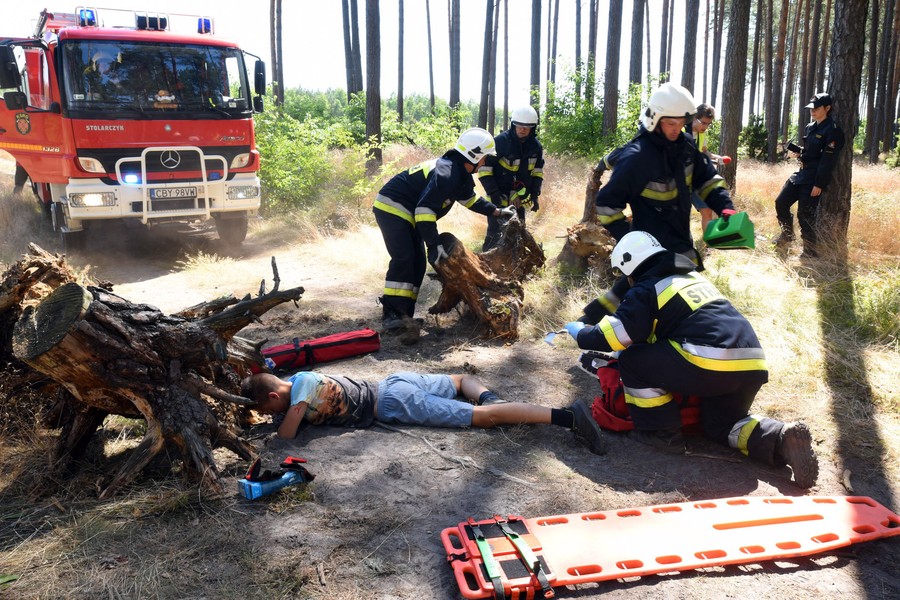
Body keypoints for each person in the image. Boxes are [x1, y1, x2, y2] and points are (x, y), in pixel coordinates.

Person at [564, 231, 819, 488]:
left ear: (630, 266)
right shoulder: (691, 279)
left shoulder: (647, 287)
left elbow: (614, 335)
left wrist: (581, 333)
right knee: (722, 426)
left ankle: (660, 434)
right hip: (751, 363)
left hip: (708, 362)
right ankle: (781, 438)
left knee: (633, 360)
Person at [579, 82, 737, 325]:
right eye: (670, 124)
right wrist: (632, 238)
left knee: (651, 294)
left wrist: (724, 206)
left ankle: (591, 321)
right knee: (644, 300)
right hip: (649, 248)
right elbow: (607, 204)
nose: (676, 130)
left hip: (679, 240)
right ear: (655, 119)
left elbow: (708, 180)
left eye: (680, 124)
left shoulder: (685, 148)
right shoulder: (637, 156)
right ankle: (594, 331)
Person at [241, 371, 605, 455]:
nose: (272, 412)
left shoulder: (300, 393)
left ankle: (567, 417)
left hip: (393, 404)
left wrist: (281, 419)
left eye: (269, 407)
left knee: (480, 418)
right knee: (461, 379)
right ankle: (491, 397)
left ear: (275, 395)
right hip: (391, 383)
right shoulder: (298, 378)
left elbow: (286, 435)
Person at [373, 128, 515, 335]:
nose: (485, 163)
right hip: (393, 208)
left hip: (407, 212)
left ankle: (403, 317)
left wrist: (497, 211)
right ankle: (392, 316)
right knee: (405, 258)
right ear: (474, 155)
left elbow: (470, 200)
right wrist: (433, 244)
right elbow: (424, 210)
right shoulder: (447, 172)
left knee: (417, 262)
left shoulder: (459, 173)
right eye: (484, 158)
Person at [773, 93, 845, 258]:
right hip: (801, 174)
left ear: (827, 108)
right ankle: (787, 235)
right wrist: (797, 151)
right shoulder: (810, 127)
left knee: (805, 214)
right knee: (781, 202)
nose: (812, 110)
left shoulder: (833, 131)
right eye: (811, 107)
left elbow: (828, 160)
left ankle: (810, 251)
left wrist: (819, 184)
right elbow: (810, 152)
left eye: (816, 107)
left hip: (814, 178)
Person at [477, 106, 545, 251]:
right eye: (519, 125)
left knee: (517, 233)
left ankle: (515, 267)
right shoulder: (500, 142)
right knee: (495, 234)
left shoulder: (536, 147)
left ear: (533, 128)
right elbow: (484, 170)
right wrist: (494, 194)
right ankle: (486, 266)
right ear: (513, 124)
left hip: (519, 199)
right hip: (498, 196)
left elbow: (537, 172)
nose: (522, 129)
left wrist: (534, 195)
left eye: (527, 127)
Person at [691, 103, 731, 233]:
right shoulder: (682, 132)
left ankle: (708, 246)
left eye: (709, 124)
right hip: (679, 181)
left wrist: (718, 158)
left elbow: (704, 152)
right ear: (694, 118)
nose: (706, 127)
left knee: (707, 211)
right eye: (703, 123)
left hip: (695, 180)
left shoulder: (701, 135)